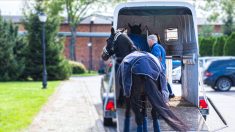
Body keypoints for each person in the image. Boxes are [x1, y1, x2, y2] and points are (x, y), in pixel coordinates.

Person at [147, 34, 175, 98]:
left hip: (158, 70)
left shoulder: (155, 47)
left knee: (162, 87)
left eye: (148, 41)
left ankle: (164, 102)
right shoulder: (160, 46)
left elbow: (157, 59)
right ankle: (167, 98)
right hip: (162, 69)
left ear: (151, 40)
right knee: (164, 85)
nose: (148, 43)